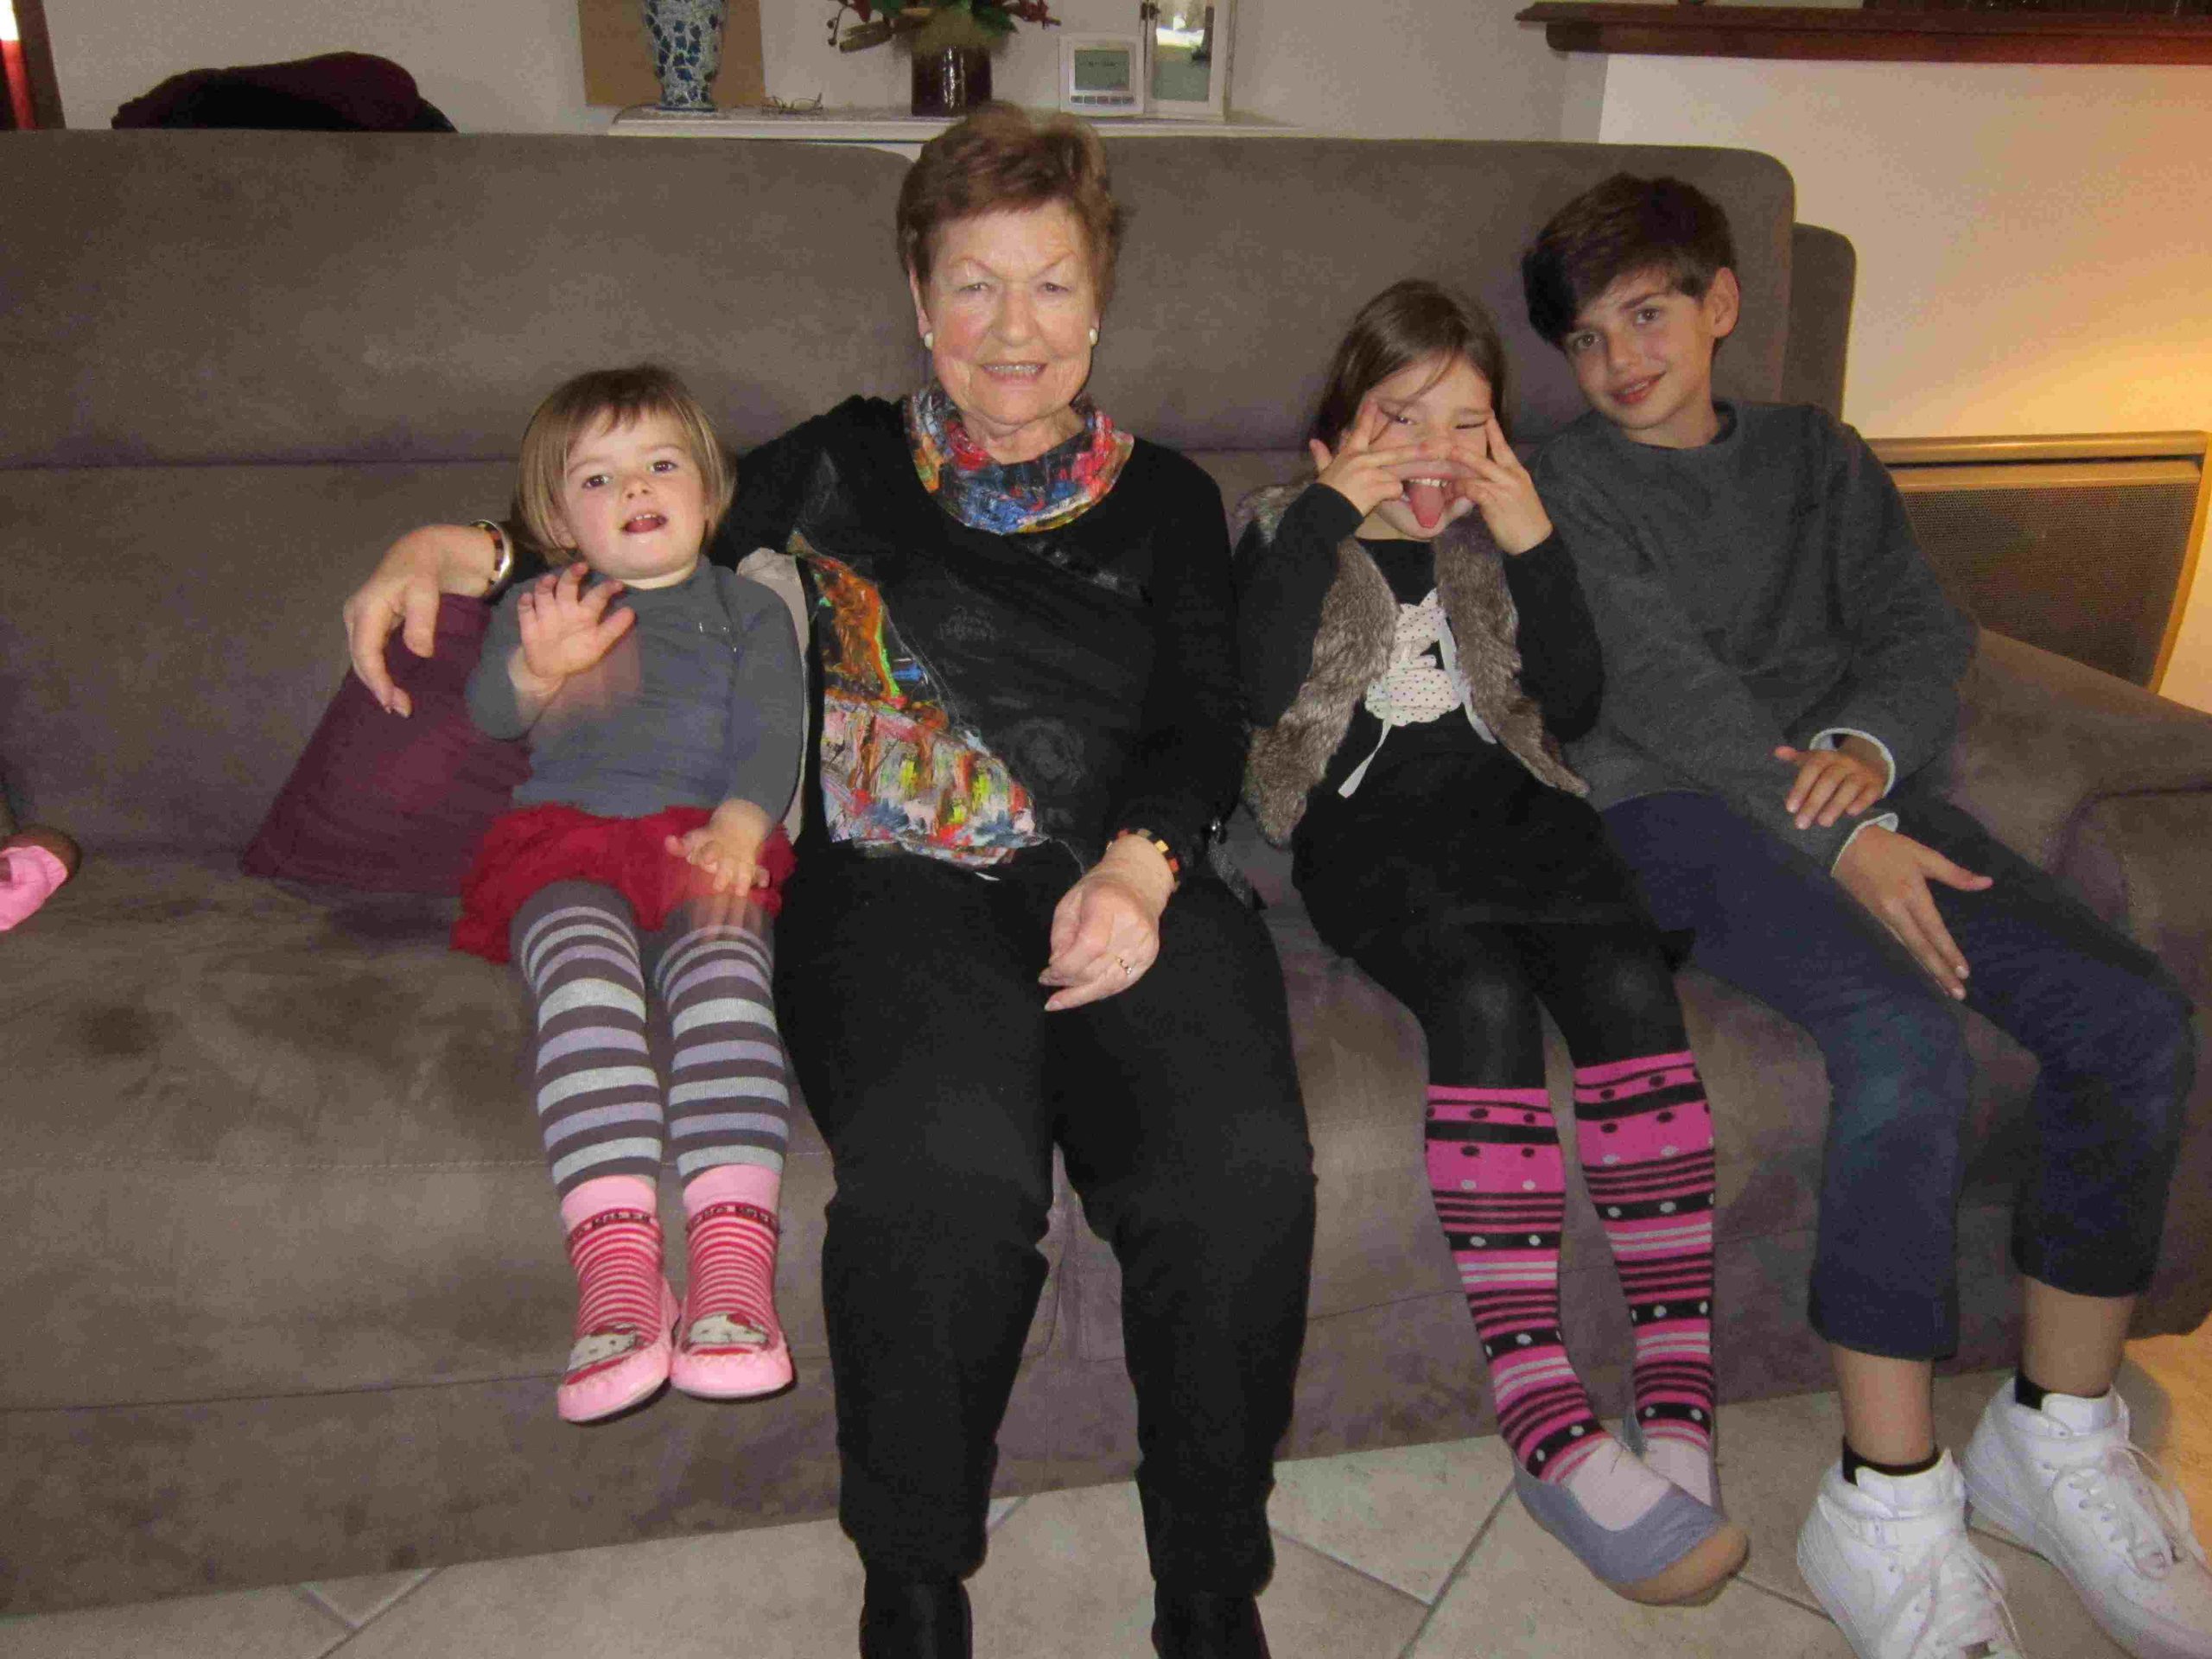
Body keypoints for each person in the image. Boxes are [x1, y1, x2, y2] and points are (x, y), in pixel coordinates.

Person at [341, 108, 1314, 1659]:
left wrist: (1140, 872)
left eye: (1051, 284)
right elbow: (637, 534)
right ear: (922, 304)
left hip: (1127, 869)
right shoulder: (836, 461)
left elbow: (1205, 714)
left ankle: (1208, 1592)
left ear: (1098, 305)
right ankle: (913, 1585)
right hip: (892, 890)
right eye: (974, 285)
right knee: (945, 1178)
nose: (1014, 328)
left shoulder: (1177, 500)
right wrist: (449, 546)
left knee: (1234, 1175)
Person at [1522, 175, 2207, 1659]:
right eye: (1585, 338)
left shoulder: (1819, 459)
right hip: (1673, 815)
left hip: (1858, 794)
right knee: (1902, 1038)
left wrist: (1869, 763)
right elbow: (1659, 688)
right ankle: (1886, 1500)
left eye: (1649, 313)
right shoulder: (1568, 480)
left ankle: (2058, 1432)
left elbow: (1917, 628)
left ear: (1722, 303)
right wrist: (1842, 843)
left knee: (2133, 1018)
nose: (1620, 358)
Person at [1232, 279, 1745, 1607]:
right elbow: (1255, 685)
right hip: (1369, 836)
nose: (1433, 452)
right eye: (1399, 420)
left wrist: (1532, 540)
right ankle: (1537, 1399)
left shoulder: (1498, 539)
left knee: (1626, 976)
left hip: (1526, 819)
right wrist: (1329, 509)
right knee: (1481, 994)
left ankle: (1677, 1387)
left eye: (1467, 426)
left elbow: (1571, 702)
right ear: (1334, 437)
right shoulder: (1286, 522)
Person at [450, 365, 804, 1425]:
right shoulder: (545, 602)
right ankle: (617, 1274)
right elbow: (490, 716)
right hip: (565, 846)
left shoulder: (747, 607)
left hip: (704, 843)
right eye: (598, 479)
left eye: (660, 464)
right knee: (584, 989)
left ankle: (732, 1268)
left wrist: (743, 821)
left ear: (710, 491)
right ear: (561, 521)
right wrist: (536, 667)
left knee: (728, 984)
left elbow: (775, 730)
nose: (636, 488)